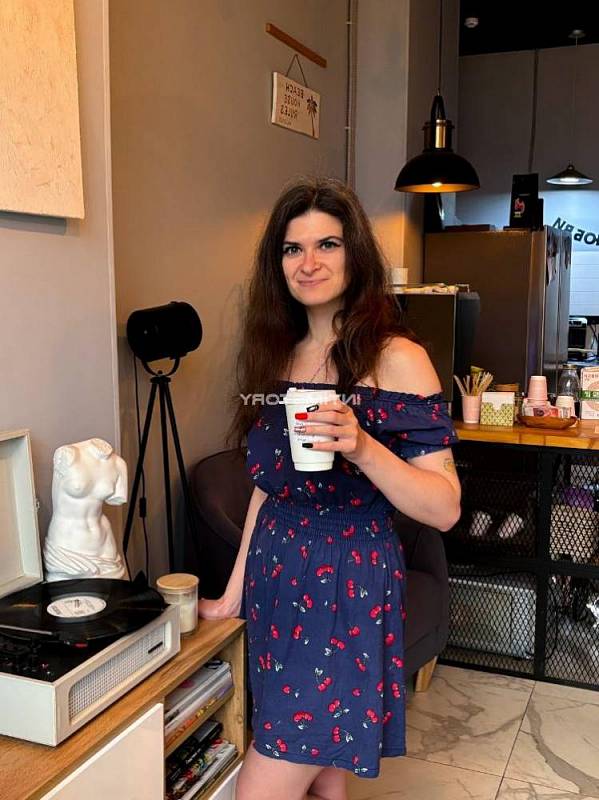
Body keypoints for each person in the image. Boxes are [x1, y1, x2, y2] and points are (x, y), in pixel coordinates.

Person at [198, 177, 461, 800]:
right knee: (323, 778)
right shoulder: (278, 354)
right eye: (293, 249)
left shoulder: (396, 357)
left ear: (355, 255)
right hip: (276, 582)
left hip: (347, 582)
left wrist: (363, 446)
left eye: (328, 245)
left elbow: (445, 507)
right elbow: (268, 487)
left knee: (262, 784)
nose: (309, 262)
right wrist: (232, 595)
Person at [44, 437, 128, 581]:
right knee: (67, 593)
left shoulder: (118, 463)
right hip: (66, 546)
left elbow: (116, 500)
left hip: (104, 546)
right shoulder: (67, 454)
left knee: (112, 592)